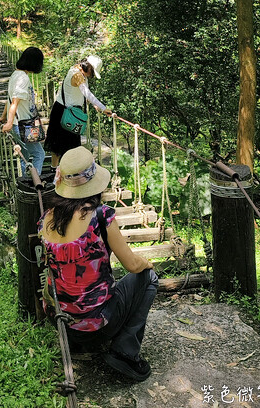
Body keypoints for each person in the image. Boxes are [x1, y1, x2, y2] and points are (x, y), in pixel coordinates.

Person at [39, 146, 158, 382]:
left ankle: (81, 344)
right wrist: (147, 263)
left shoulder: (46, 218)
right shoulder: (100, 216)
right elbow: (133, 265)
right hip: (97, 325)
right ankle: (125, 352)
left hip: (62, 322)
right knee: (148, 278)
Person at [44, 55, 113, 168]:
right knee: (58, 144)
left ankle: (63, 171)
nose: (91, 76)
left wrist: (95, 105)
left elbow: (83, 93)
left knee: (69, 145)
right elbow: (86, 92)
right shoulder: (77, 75)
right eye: (92, 72)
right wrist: (103, 107)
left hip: (72, 112)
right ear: (88, 67)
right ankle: (56, 172)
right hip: (64, 112)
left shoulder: (79, 72)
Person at [0, 46, 45, 174]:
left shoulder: (15, 74)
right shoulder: (23, 79)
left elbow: (10, 100)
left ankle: (24, 180)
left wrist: (4, 117)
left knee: (24, 154)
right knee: (39, 154)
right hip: (23, 125)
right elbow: (14, 102)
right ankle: (36, 184)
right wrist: (8, 122)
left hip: (18, 124)